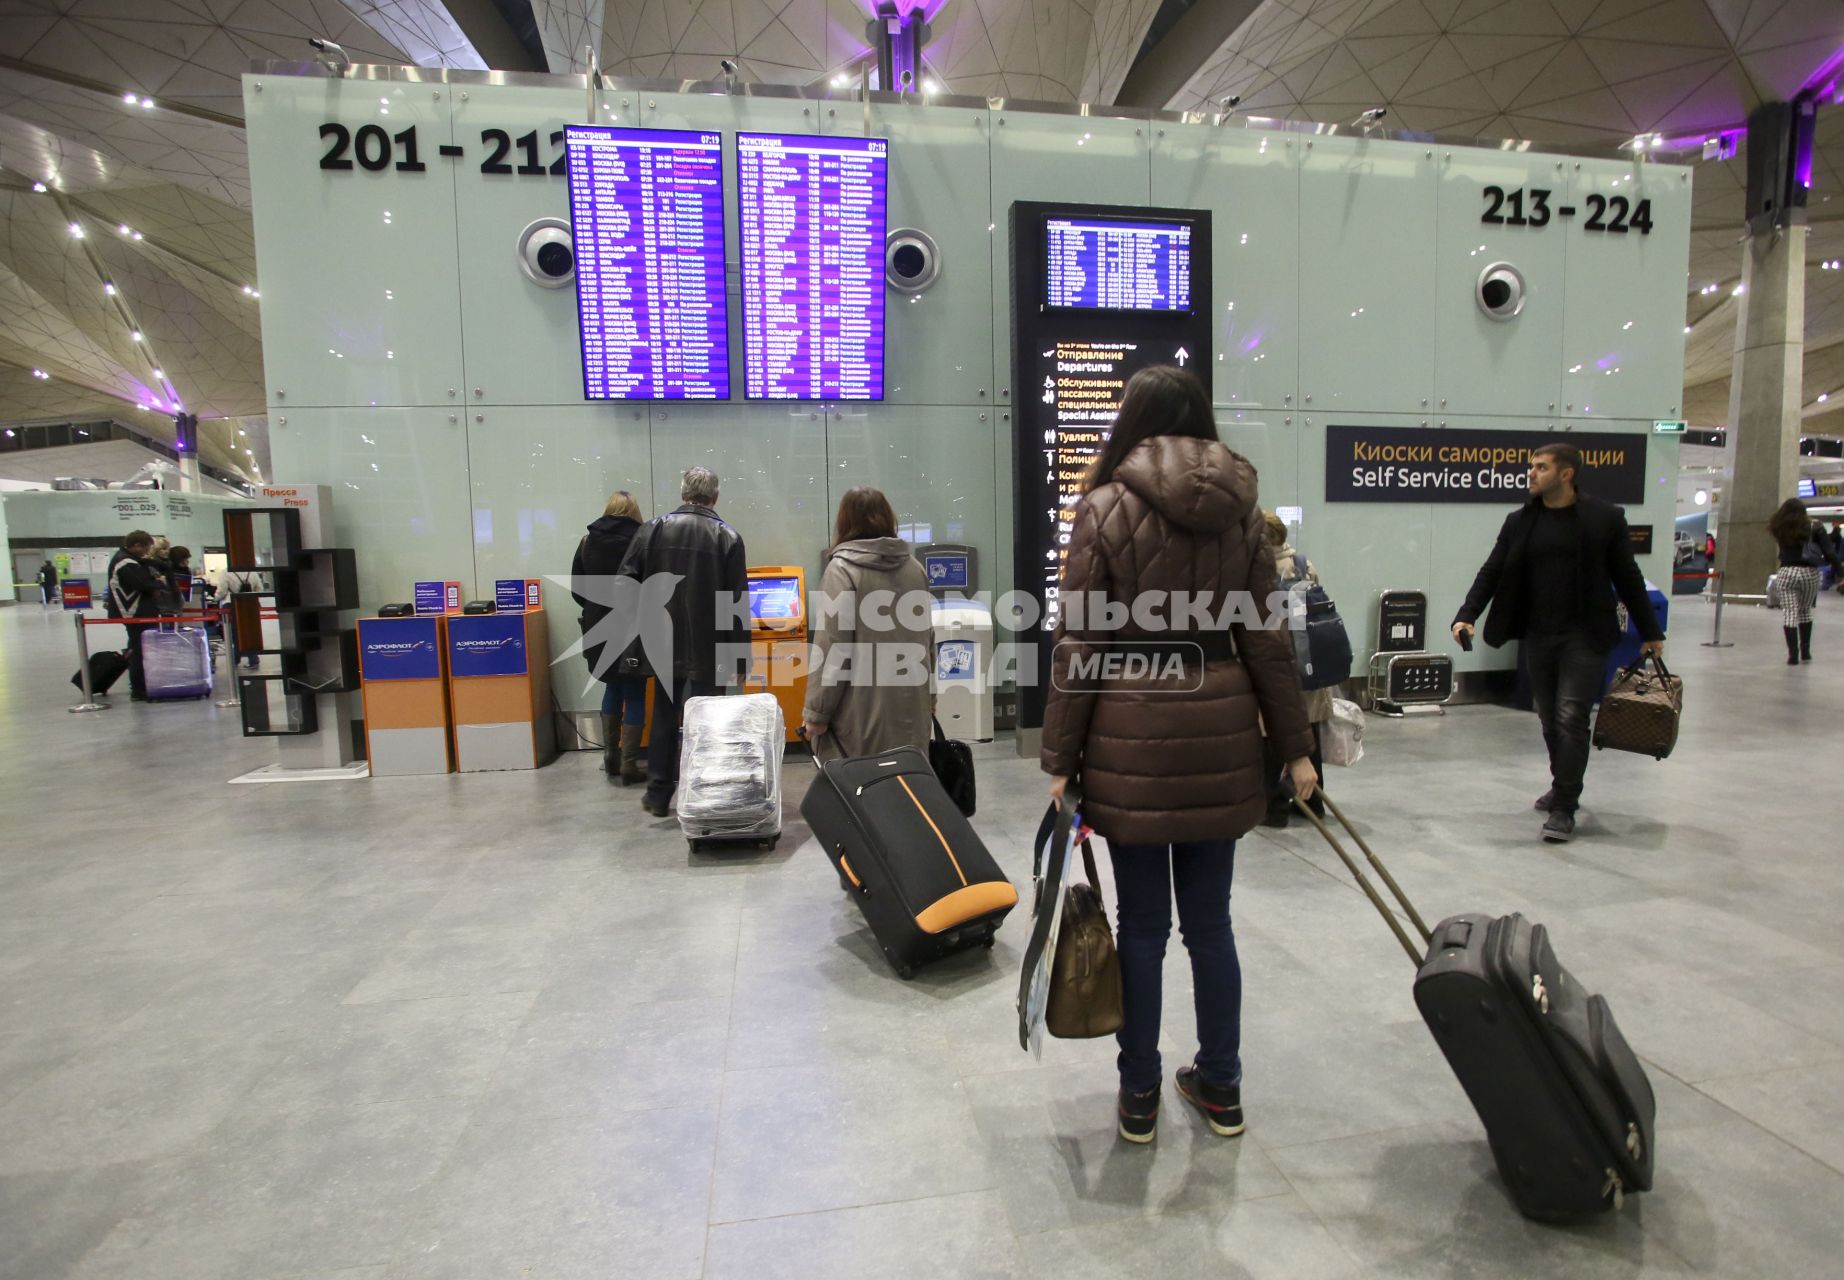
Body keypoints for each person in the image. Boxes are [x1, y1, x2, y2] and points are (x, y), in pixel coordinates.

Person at [1041, 365, 1316, 1146]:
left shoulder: (1102, 508)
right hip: (1223, 729)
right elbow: (1267, 641)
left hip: (1132, 736)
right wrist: (1296, 750)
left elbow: (1081, 644)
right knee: (1212, 926)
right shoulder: (1242, 515)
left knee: (1142, 930)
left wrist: (1059, 758)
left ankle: (1139, 1096)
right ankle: (1221, 1086)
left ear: (1132, 420)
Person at [1451, 442, 1664, 844]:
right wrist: (1466, 614)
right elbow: (1492, 571)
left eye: (1541, 467)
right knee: (1548, 716)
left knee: (1571, 716)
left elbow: (1628, 577)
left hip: (1585, 635)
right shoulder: (1520, 522)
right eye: (1531, 466)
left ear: (1566, 474)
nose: (1531, 473)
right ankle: (1562, 783)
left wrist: (1651, 632)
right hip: (1538, 634)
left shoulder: (1604, 519)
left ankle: (1565, 805)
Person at [617, 466, 749, 817]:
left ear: (682, 493)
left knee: (663, 714)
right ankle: (707, 792)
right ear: (715, 497)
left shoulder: (653, 529)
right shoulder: (728, 537)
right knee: (710, 719)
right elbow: (734, 602)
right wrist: (738, 659)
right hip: (712, 645)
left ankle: (659, 794)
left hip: (661, 642)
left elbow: (625, 584)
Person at [802, 487, 933, 761]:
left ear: (845, 521)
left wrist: (816, 713)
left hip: (859, 714)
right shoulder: (914, 568)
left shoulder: (842, 571)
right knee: (907, 788)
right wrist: (930, 698)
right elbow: (926, 640)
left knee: (864, 794)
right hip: (912, 710)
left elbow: (833, 648)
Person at [571, 491, 649, 782]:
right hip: (635, 625)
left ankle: (610, 755)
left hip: (599, 626)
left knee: (612, 687)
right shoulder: (643, 539)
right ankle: (630, 764)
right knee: (635, 690)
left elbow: (578, 588)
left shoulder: (588, 541)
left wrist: (595, 610)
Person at [1260, 511, 1330, 829]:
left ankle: (1273, 808)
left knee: (1274, 733)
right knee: (1309, 732)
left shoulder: (1261, 570)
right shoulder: (1304, 563)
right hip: (1311, 662)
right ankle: (1313, 802)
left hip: (1279, 664)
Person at [1768, 498, 1833, 664]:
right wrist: (1840, 572)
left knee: (1789, 613)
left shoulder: (1778, 526)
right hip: (1808, 572)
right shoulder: (1814, 526)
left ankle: (1792, 655)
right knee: (1804, 611)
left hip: (1786, 572)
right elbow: (1829, 551)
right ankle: (1805, 651)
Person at [107, 531, 166, 701]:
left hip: (137, 612)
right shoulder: (125, 562)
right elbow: (143, 584)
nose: (147, 551)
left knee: (140, 648)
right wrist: (159, 583)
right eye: (146, 547)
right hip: (134, 612)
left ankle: (141, 686)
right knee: (139, 650)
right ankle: (139, 689)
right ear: (137, 545)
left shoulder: (129, 560)